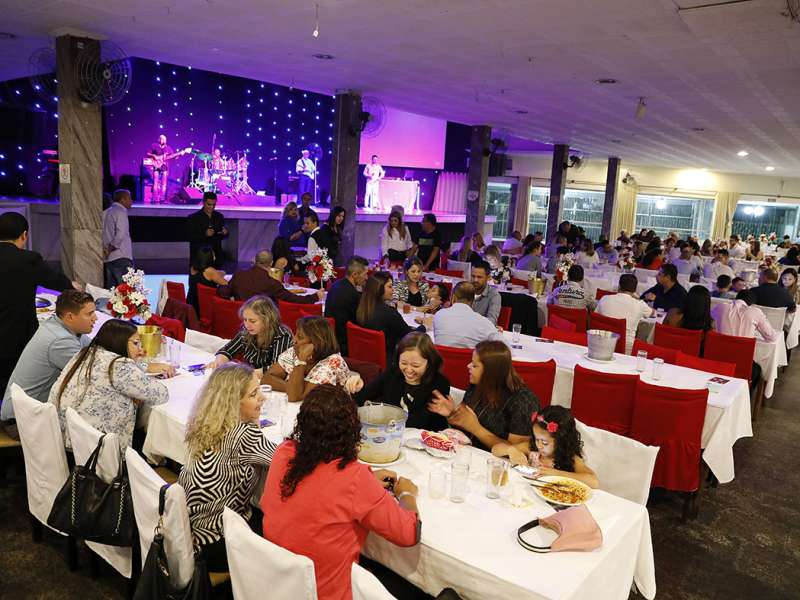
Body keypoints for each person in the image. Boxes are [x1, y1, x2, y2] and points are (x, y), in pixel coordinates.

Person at [261, 385, 420, 600]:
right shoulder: (353, 479)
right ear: (353, 430)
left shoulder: (284, 453)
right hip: (325, 593)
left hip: (278, 584)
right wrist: (406, 494)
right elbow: (409, 534)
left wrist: (367, 481)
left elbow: (319, 486)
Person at [180, 363, 277, 571]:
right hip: (216, 541)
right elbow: (285, 463)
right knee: (285, 534)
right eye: (253, 394)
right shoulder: (243, 435)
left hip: (187, 530)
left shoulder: (204, 422)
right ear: (233, 403)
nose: (263, 397)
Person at [49, 319, 171, 450]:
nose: (141, 350)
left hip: (63, 436)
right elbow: (161, 394)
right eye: (136, 343)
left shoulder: (85, 353)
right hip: (96, 451)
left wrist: (142, 367)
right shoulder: (120, 366)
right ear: (120, 343)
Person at [0, 212, 75, 407]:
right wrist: (73, 286)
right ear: (24, 235)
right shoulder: (28, 259)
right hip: (15, 335)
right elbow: (56, 281)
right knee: (15, 385)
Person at [0, 291, 96, 435]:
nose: (95, 318)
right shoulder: (60, 341)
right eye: (89, 314)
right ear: (70, 316)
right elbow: (93, 375)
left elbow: (95, 349)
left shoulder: (59, 324)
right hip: (21, 422)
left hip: (27, 412)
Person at [429, 340, 537, 451]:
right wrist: (452, 413)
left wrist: (476, 428)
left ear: (491, 372)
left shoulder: (522, 401)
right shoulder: (478, 384)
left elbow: (517, 451)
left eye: (475, 366)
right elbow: (464, 426)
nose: (468, 366)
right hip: (466, 452)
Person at [353, 332, 450, 431]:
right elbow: (362, 398)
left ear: (429, 363)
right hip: (391, 434)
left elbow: (420, 422)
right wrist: (358, 386)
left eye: (415, 365)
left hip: (425, 439)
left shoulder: (439, 384)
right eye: (403, 363)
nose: (408, 370)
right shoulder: (393, 373)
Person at [491, 406, 599, 489]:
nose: (539, 445)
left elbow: (594, 482)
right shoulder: (532, 449)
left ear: (561, 442)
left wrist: (558, 474)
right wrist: (511, 451)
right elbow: (495, 450)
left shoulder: (569, 458)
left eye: (545, 442)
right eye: (536, 439)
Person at [264, 317, 356, 402]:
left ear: (316, 343)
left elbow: (294, 397)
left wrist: (301, 361)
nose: (294, 340)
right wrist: (291, 387)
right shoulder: (294, 351)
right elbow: (266, 379)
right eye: (295, 334)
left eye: (300, 337)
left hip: (331, 415)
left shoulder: (333, 362)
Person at [208, 295, 294, 371]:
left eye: (252, 321)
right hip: (251, 377)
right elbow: (226, 350)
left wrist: (248, 374)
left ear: (268, 320)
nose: (247, 325)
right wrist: (220, 362)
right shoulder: (247, 332)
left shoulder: (282, 335)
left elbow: (277, 368)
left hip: (270, 383)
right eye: (245, 320)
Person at [356, 272, 427, 363]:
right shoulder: (389, 313)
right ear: (379, 289)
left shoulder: (362, 307)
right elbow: (411, 337)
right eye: (390, 287)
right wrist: (424, 326)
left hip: (364, 356)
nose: (393, 290)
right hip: (387, 360)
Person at [229, 250, 322, 304]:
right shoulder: (272, 283)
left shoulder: (238, 275)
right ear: (271, 263)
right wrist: (315, 297)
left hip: (238, 319)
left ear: (255, 261)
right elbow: (293, 299)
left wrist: (232, 298)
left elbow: (223, 291)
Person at [595, 274, 653, 354]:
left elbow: (595, 317)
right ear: (635, 290)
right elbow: (652, 313)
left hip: (600, 344)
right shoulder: (640, 304)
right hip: (626, 350)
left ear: (619, 286)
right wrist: (637, 298)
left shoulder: (604, 299)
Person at [431, 282, 501, 348]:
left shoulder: (439, 315)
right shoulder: (484, 323)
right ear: (473, 302)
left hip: (440, 360)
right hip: (468, 360)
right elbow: (505, 347)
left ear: (453, 298)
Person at [324, 256, 369, 355]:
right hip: (345, 344)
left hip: (330, 339)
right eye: (365, 274)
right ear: (355, 274)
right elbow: (360, 322)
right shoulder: (352, 294)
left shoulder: (335, 285)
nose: (367, 278)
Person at [711, 289, 777, 343]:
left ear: (736, 297)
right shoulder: (755, 312)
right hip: (743, 355)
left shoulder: (721, 307)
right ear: (751, 304)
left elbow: (709, 320)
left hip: (719, 352)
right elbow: (772, 337)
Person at [102, 189, 134, 288]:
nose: (131, 201)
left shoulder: (105, 212)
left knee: (111, 292)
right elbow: (120, 234)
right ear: (122, 200)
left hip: (109, 259)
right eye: (129, 198)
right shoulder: (120, 211)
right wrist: (110, 248)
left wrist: (106, 251)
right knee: (126, 291)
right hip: (121, 257)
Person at [187, 192, 228, 269]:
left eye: (214, 205)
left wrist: (225, 233)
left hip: (216, 257)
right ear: (203, 202)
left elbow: (223, 234)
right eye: (209, 204)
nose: (211, 207)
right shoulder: (193, 218)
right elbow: (190, 237)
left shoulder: (219, 216)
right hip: (199, 258)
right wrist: (204, 234)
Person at [186, 246, 228, 317]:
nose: (215, 256)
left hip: (191, 304)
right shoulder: (209, 271)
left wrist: (219, 273)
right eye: (213, 255)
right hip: (205, 307)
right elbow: (226, 284)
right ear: (209, 257)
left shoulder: (193, 268)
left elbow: (215, 274)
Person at [145, 134, 174, 203]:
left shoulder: (168, 148)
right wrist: (154, 155)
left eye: (165, 139)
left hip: (165, 167)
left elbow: (173, 156)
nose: (164, 140)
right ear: (159, 139)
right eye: (162, 139)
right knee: (155, 183)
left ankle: (162, 199)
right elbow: (147, 153)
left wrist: (178, 155)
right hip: (156, 167)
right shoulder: (154, 146)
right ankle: (155, 199)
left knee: (164, 184)